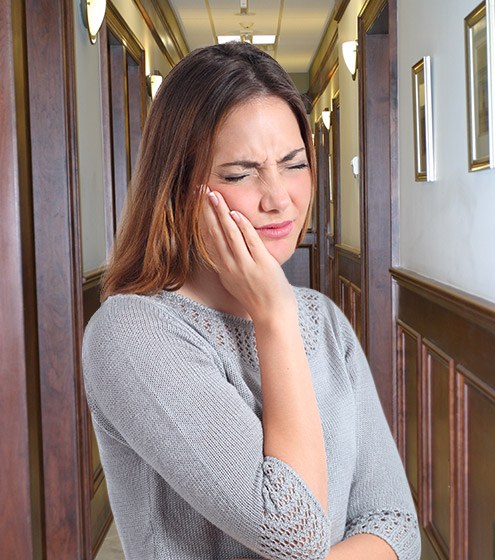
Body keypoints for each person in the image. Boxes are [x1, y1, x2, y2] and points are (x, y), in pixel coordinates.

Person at [82, 42, 420, 560]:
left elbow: (395, 525)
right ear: (176, 187)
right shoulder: (129, 333)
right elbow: (295, 533)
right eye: (240, 173)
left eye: (294, 164)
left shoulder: (323, 320)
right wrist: (274, 314)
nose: (278, 198)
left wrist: (283, 312)